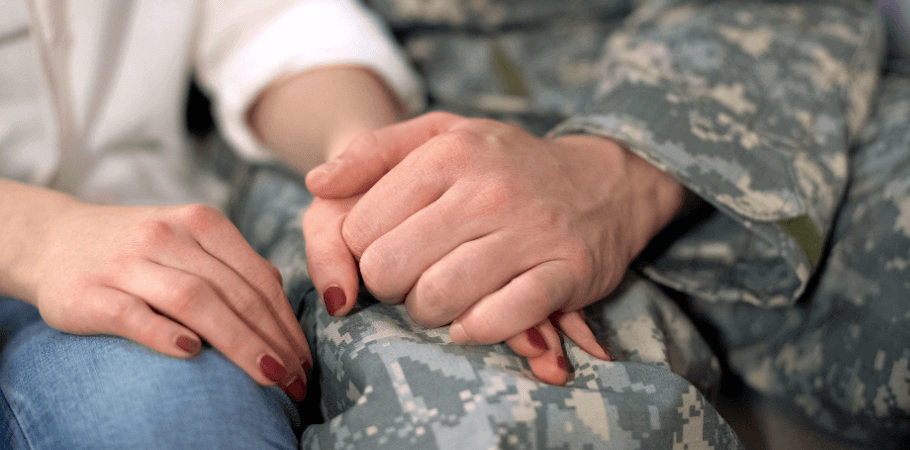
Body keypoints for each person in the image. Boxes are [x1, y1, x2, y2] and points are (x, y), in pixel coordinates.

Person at [238, 0, 910, 448]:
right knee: (488, 423)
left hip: (752, 74)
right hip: (356, 116)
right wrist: (379, 163)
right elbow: (258, 28)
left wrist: (618, 170)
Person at [0, 0, 431, 447]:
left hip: (144, 237)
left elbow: (274, 24)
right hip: (61, 246)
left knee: (180, 403)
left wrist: (359, 156)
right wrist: (37, 235)